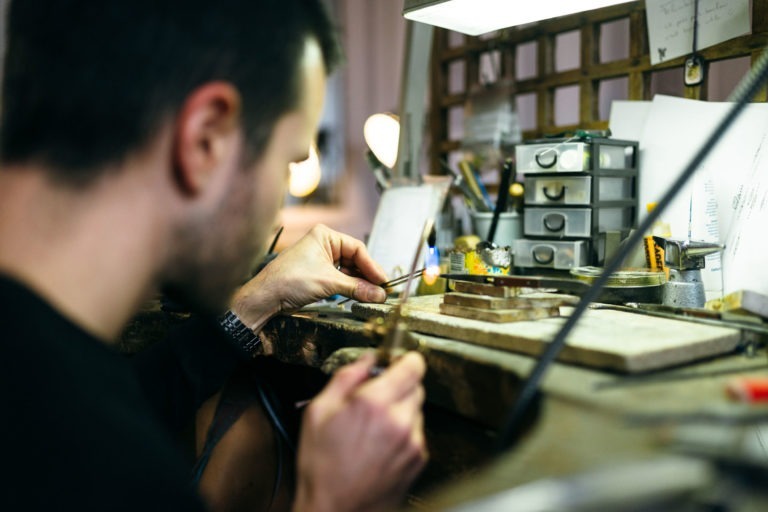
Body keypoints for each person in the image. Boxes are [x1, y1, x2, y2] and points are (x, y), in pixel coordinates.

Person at [0, 0, 428, 510]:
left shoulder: (44, 385)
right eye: (287, 162)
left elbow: (117, 402)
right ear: (206, 139)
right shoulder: (112, 471)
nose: (280, 199)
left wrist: (252, 305)